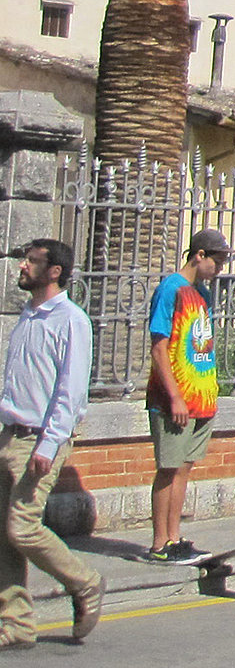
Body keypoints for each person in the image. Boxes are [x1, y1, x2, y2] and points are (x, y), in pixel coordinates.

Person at [1, 239, 103, 645]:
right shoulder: (28, 316)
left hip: (40, 440)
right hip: (10, 433)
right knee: (2, 534)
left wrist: (49, 444)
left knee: (22, 528)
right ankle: (16, 623)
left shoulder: (71, 320)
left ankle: (85, 582)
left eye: (31, 261)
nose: (22, 267)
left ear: (54, 271)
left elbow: (71, 390)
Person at [146, 228, 227, 562]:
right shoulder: (171, 290)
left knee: (183, 468)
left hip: (201, 398)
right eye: (218, 260)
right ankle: (159, 543)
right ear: (199, 255)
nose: (220, 267)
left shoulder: (203, 294)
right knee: (167, 468)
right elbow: (159, 346)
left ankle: (175, 537)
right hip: (173, 400)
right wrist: (175, 395)